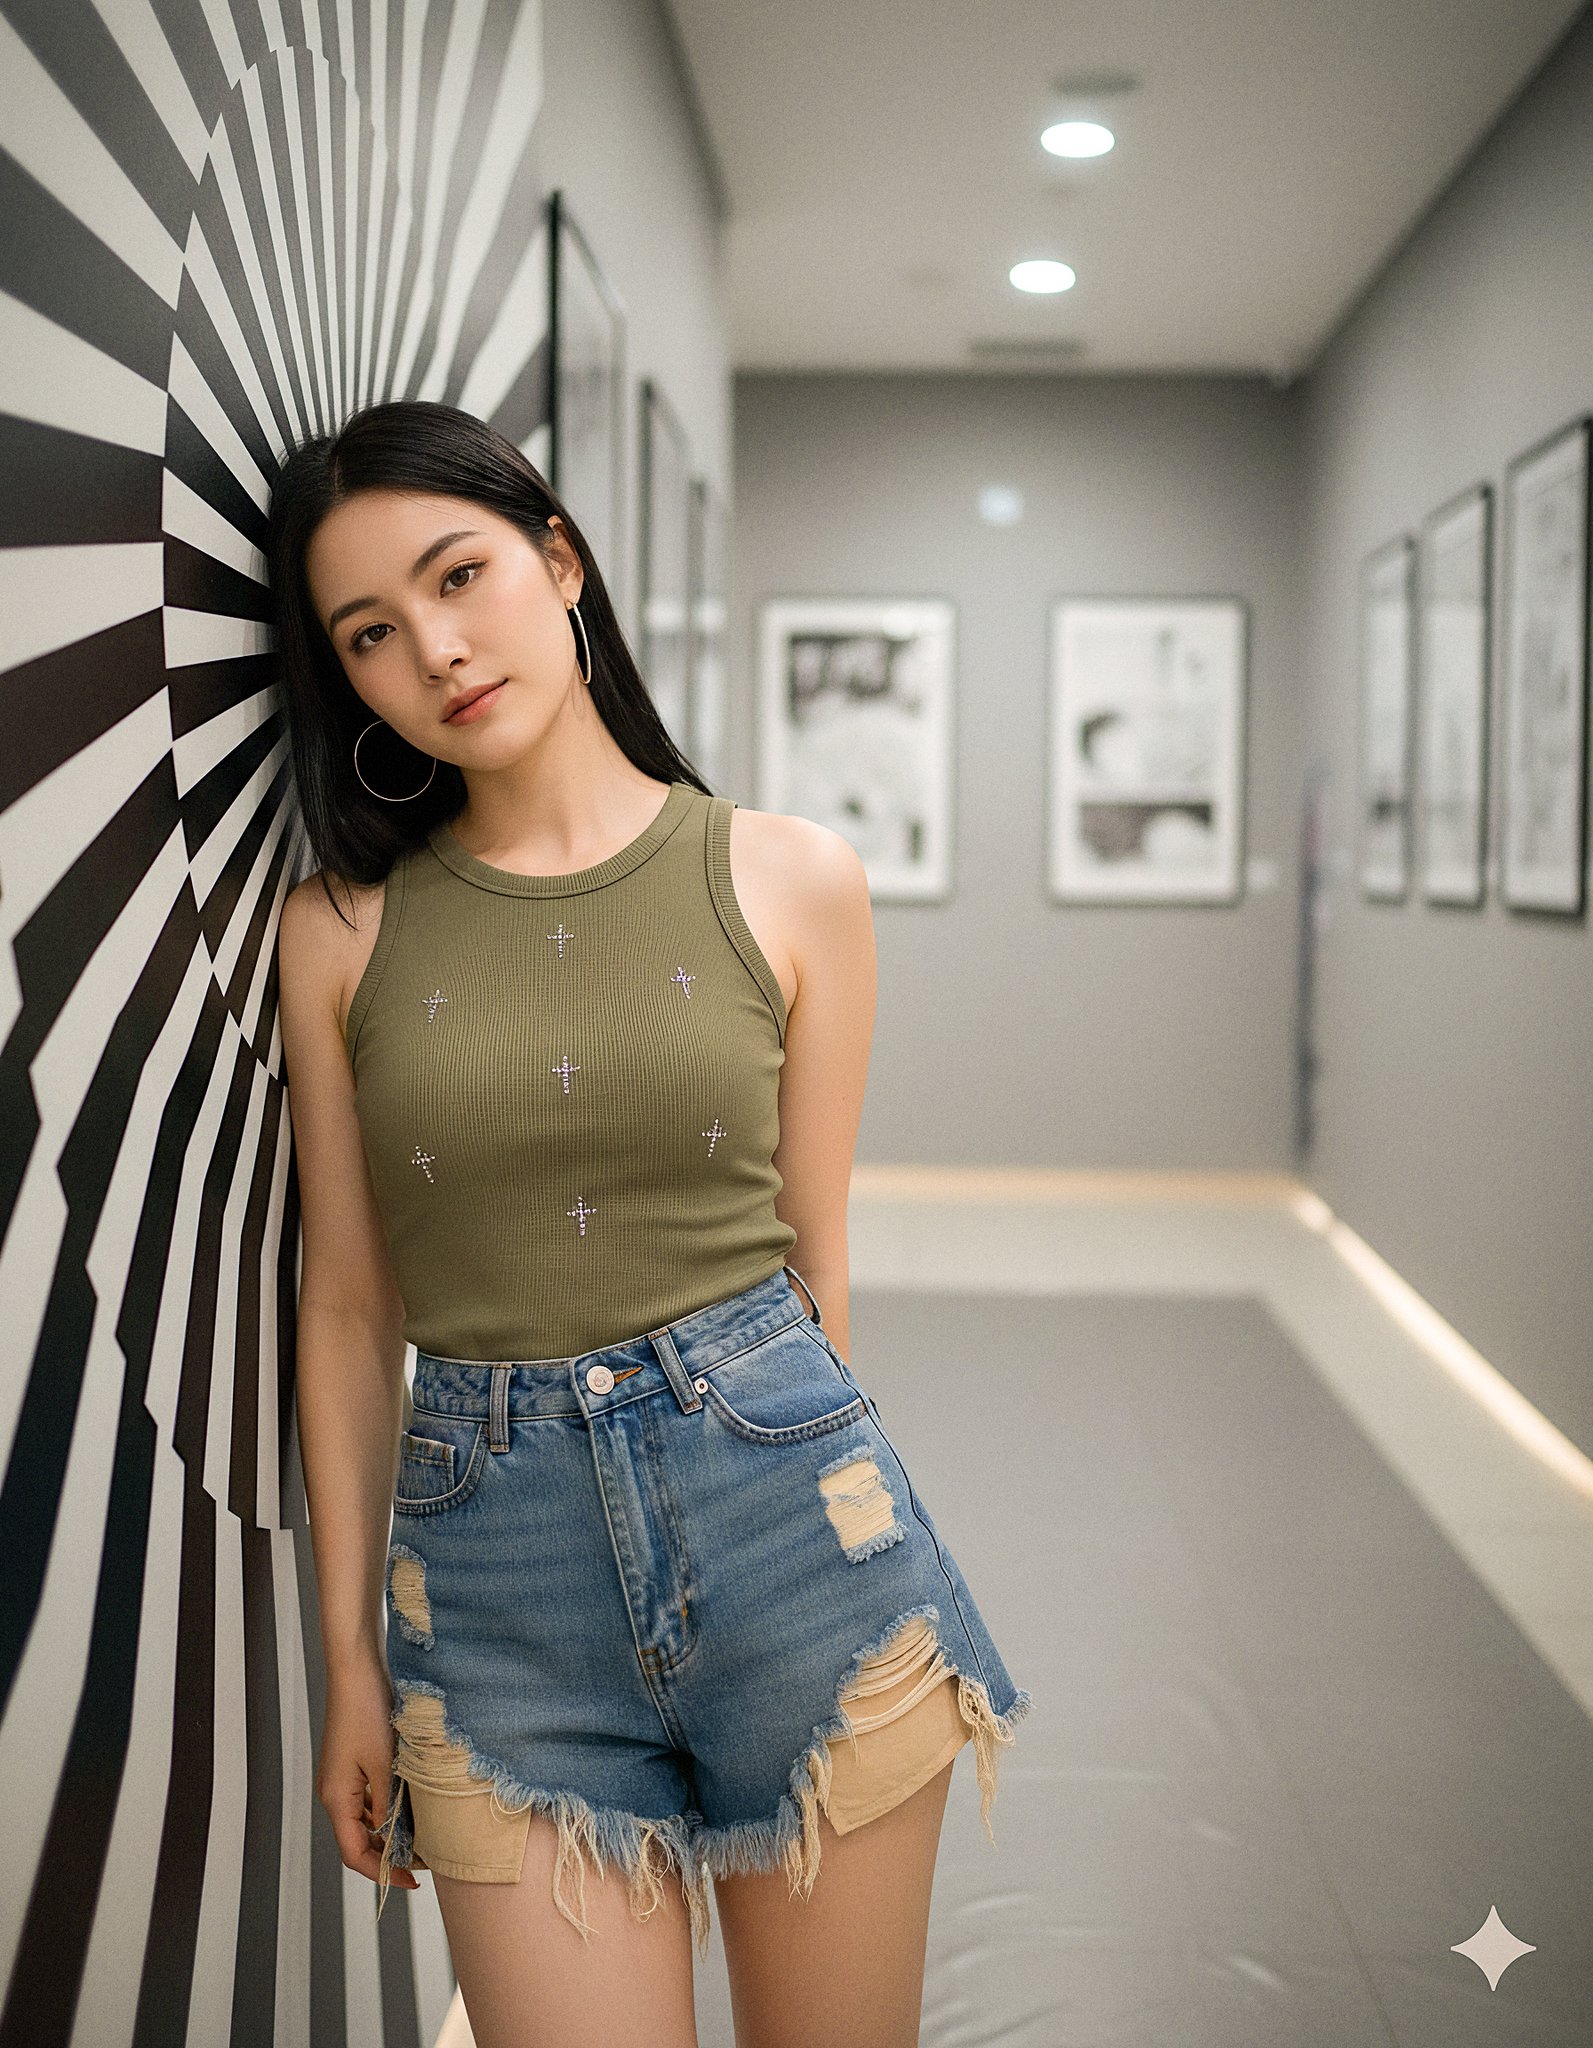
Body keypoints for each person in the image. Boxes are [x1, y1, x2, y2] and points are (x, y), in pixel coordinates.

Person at [270, 400, 1030, 2048]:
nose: (437, 651)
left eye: (459, 576)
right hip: (494, 1586)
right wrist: (348, 1667)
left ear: (559, 560)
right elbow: (346, 1307)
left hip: (792, 1539)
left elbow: (813, 1264)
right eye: (371, 633)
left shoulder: (790, 876)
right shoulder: (337, 932)